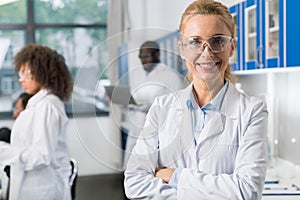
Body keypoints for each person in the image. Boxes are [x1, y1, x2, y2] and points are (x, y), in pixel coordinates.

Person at [124, 0, 268, 199]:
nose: (206, 53)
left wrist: (176, 176)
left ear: (231, 47)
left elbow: (247, 191)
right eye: (195, 42)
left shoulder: (252, 111)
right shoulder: (161, 108)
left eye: (217, 41)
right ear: (182, 48)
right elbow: (134, 183)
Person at [0, 43, 73, 200]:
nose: (20, 79)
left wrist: (3, 151)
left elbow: (41, 156)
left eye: (25, 72)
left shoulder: (47, 106)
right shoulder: (39, 104)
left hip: (42, 190)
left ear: (41, 72)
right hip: (33, 188)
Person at [123, 41, 185, 167]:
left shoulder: (170, 76)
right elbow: (135, 96)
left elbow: (178, 105)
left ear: (157, 54)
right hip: (138, 123)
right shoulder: (139, 75)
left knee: (154, 168)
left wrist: (151, 107)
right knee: (133, 165)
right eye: (141, 57)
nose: (143, 60)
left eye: (146, 56)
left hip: (159, 128)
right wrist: (130, 102)